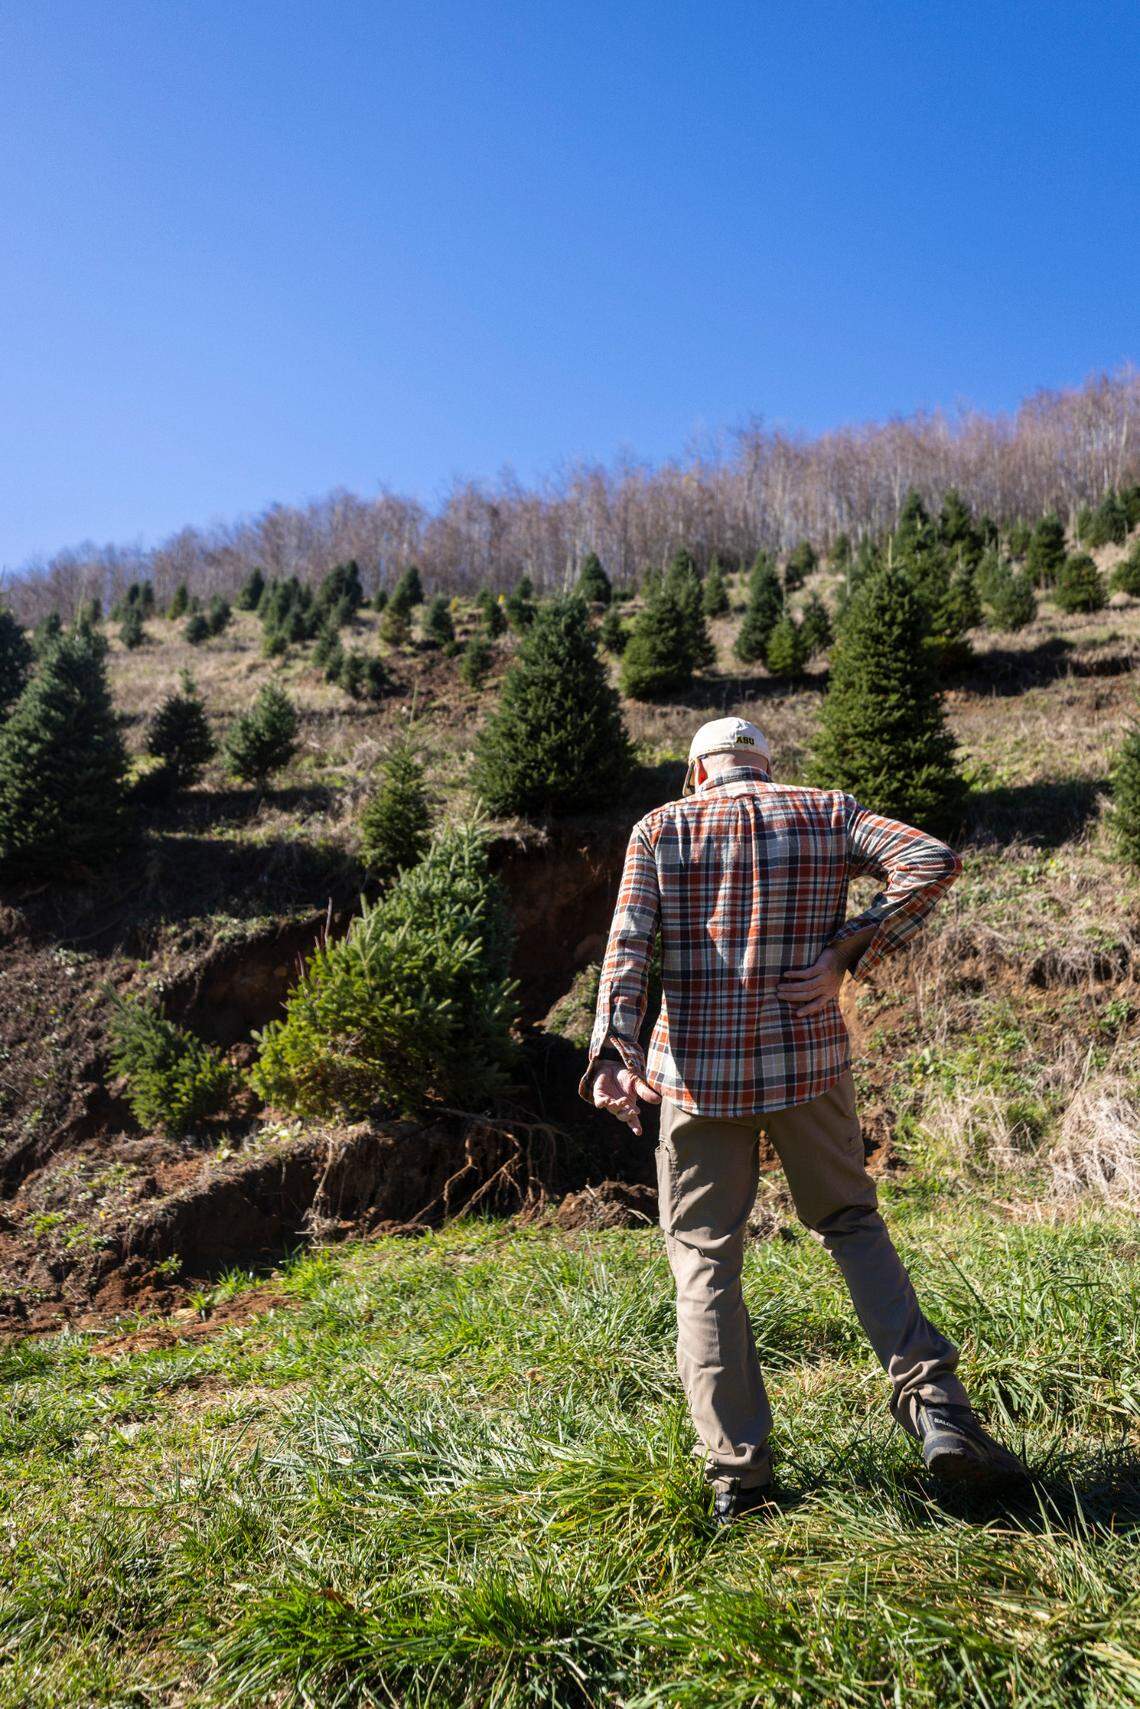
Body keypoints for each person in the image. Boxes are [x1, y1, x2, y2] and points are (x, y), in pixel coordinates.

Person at [581, 716, 1026, 1525]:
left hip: (697, 1079)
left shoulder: (661, 828)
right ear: (767, 764)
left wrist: (613, 1051)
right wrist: (852, 948)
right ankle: (941, 1412)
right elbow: (931, 859)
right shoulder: (825, 810)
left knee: (704, 1260)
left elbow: (628, 946)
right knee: (852, 1222)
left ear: (697, 773)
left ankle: (738, 1475)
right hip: (810, 1064)